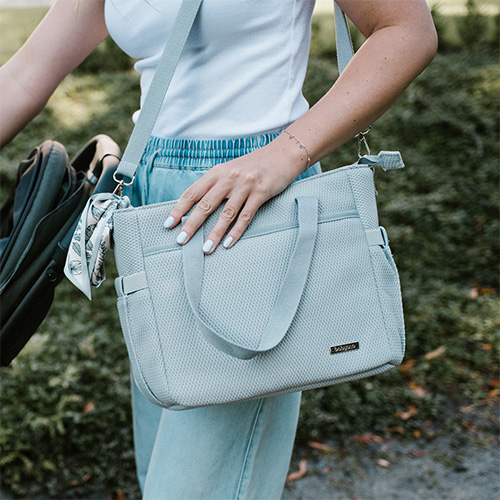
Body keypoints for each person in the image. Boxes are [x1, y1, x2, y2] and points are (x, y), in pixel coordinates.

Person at [0, 0, 437, 498]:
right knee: (163, 473)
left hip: (253, 209)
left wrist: (285, 154)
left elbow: (406, 30)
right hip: (154, 207)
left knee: (191, 488)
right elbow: (23, 78)